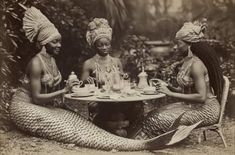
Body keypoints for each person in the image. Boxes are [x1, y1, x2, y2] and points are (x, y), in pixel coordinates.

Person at [9, 6, 202, 151]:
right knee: (72, 126)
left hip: (60, 103)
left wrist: (67, 88)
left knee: (93, 117)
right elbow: (38, 96)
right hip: (27, 107)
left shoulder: (51, 60)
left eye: (59, 40)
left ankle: (129, 138)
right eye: (55, 41)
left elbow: (54, 90)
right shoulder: (38, 63)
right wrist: (71, 89)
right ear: (44, 42)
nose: (59, 45)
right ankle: (133, 143)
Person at [130, 20, 224, 139]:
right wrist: (168, 86)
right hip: (193, 106)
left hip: (207, 110)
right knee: (151, 114)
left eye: (178, 43)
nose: (175, 47)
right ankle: (139, 140)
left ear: (189, 45)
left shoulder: (197, 65)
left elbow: (201, 97)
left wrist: (170, 93)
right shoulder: (187, 61)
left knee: (155, 118)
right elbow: (187, 91)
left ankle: (143, 142)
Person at [81, 18, 143, 137]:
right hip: (99, 100)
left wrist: (124, 77)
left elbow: (121, 80)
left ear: (110, 44)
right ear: (95, 46)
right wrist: (93, 81)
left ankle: (127, 130)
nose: (104, 47)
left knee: (137, 104)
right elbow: (81, 84)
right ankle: (111, 128)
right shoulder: (89, 63)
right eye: (100, 45)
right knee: (109, 108)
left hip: (118, 98)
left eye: (107, 44)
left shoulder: (116, 61)